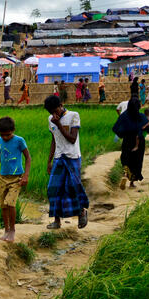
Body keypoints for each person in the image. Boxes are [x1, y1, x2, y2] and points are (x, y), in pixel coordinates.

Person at [43, 95, 89, 230]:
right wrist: (49, 161)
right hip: (58, 157)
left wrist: (59, 124)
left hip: (72, 157)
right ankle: (56, 220)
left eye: (55, 110)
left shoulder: (73, 116)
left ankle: (81, 212)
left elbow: (72, 139)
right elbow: (54, 140)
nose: (54, 114)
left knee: (72, 187)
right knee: (53, 188)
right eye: (51, 112)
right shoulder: (50, 120)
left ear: (61, 105)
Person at [0, 116, 30, 243]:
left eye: (8, 135)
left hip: (16, 177)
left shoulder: (19, 141)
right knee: (3, 205)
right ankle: (6, 229)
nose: (5, 137)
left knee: (10, 203)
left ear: (13, 130)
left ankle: (12, 230)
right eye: (2, 135)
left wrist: (25, 176)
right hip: (3, 177)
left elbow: (28, 158)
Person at [112, 98, 149, 189]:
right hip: (139, 141)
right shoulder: (141, 116)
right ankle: (132, 182)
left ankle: (126, 173)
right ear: (139, 106)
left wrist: (122, 134)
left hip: (127, 140)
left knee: (126, 158)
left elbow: (115, 128)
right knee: (137, 161)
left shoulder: (124, 116)